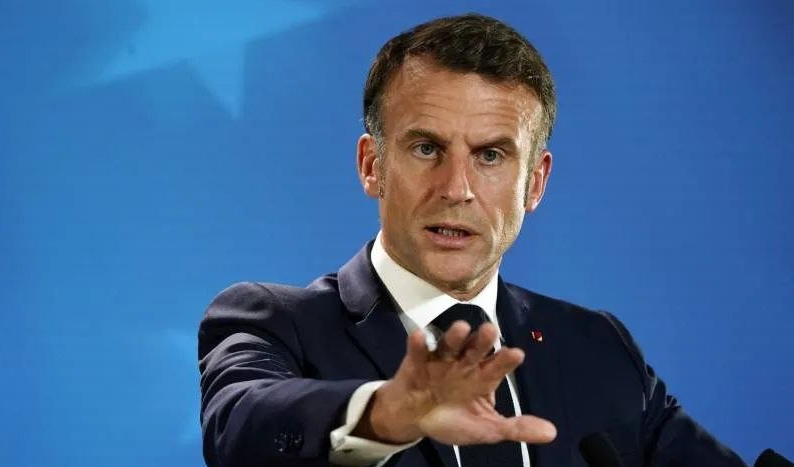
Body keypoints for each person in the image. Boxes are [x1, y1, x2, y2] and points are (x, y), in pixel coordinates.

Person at [198, 14, 746, 467]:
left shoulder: (599, 349)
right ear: (371, 166)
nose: (456, 188)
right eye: (426, 149)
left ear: (535, 183)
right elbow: (240, 428)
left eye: (490, 155)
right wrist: (387, 413)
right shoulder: (276, 323)